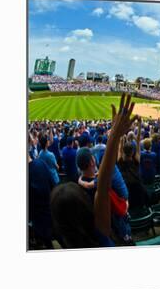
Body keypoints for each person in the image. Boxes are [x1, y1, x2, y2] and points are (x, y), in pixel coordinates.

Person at [50, 94, 137, 248]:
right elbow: (102, 187)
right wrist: (115, 135)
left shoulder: (73, 241)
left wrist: (115, 136)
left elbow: (101, 187)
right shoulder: (101, 231)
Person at [28, 153, 55, 249]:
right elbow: (53, 185)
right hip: (49, 215)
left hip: (36, 222)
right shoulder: (41, 164)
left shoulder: (40, 162)